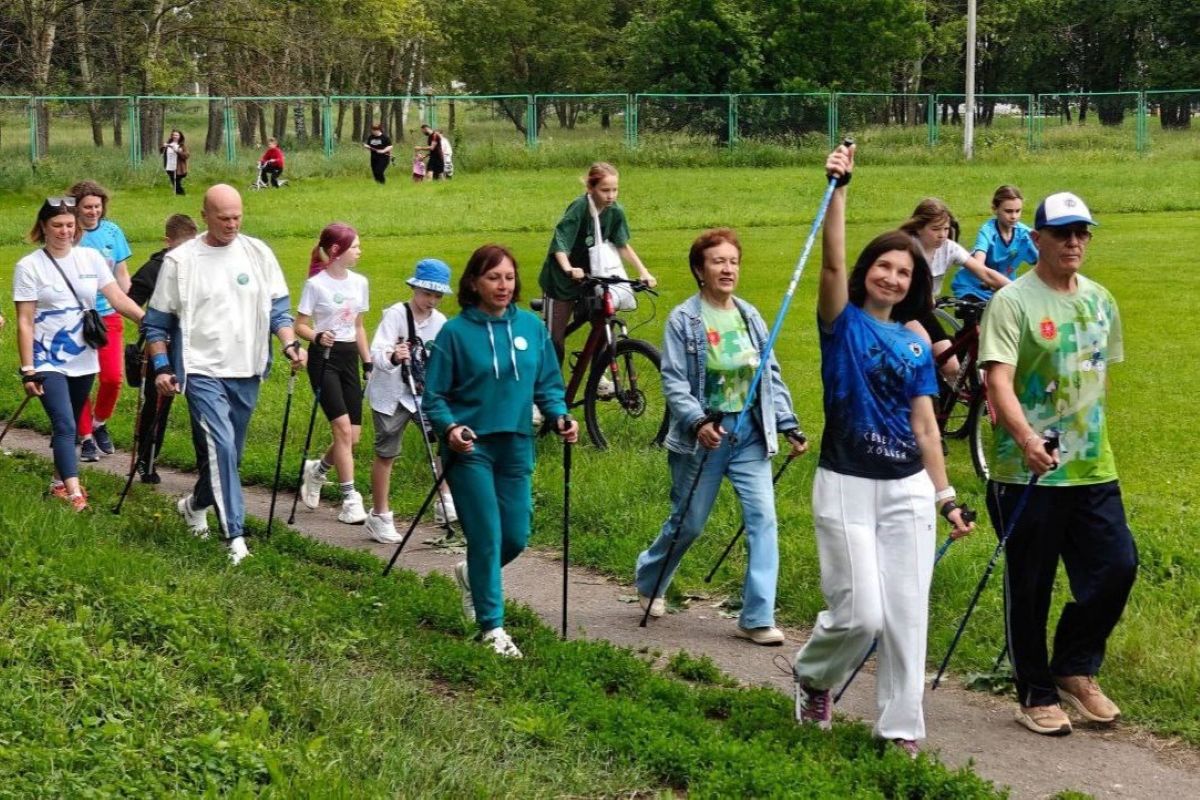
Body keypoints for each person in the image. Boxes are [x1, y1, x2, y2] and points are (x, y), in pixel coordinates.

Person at [791, 145, 973, 757]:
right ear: (870, 269)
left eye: (905, 272)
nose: (892, 277)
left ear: (915, 283)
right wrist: (839, 188)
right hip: (845, 479)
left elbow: (927, 428)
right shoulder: (841, 322)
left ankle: (900, 727)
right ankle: (815, 677)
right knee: (860, 615)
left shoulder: (917, 344)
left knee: (905, 615)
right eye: (884, 266)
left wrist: (946, 497)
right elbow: (832, 268)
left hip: (908, 489)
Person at [978, 192, 1135, 737]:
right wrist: (1024, 438)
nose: (1074, 242)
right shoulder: (1014, 302)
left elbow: (1098, 376)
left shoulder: (1101, 300)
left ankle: (1073, 665)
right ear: (1036, 239)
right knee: (1030, 585)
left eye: (1082, 232)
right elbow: (996, 377)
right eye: (1063, 232)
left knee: (1118, 566)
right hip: (1026, 473)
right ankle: (1034, 692)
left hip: (1092, 468)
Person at [634, 228, 808, 645]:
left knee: (763, 520)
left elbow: (769, 373)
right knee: (689, 522)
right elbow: (674, 380)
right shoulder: (684, 319)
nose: (728, 269)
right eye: (718, 261)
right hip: (704, 436)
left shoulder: (749, 316)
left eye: (733, 261)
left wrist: (788, 422)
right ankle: (650, 578)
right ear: (700, 269)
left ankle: (756, 616)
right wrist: (698, 422)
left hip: (748, 434)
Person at [422, 244, 579, 658]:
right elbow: (434, 396)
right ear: (474, 282)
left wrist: (560, 415)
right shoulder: (455, 333)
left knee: (516, 535)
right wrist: (450, 428)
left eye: (509, 277)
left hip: (516, 444)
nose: (503, 285)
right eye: (494, 277)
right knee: (488, 535)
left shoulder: (530, 328)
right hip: (470, 446)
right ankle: (492, 628)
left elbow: (548, 383)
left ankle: (472, 575)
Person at [144, 184, 307, 564]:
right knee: (221, 447)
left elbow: (279, 312)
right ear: (205, 216)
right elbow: (156, 324)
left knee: (229, 458)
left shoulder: (258, 253)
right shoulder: (181, 262)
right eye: (223, 218)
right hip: (200, 369)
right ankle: (235, 537)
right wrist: (162, 368)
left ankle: (194, 504)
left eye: (237, 217)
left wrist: (288, 344)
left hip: (247, 367)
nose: (232, 224)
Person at [12, 197, 144, 511]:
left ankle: (58, 482)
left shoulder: (91, 259)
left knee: (69, 420)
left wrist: (147, 321)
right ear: (43, 227)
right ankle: (75, 493)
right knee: (65, 424)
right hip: (46, 358)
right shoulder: (29, 266)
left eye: (69, 225)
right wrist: (28, 368)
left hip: (84, 356)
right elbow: (24, 321)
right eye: (57, 225)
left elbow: (116, 298)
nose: (64, 231)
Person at [364, 258, 456, 544]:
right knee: (387, 452)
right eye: (427, 293)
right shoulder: (396, 315)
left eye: (437, 295)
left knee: (445, 441)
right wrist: (393, 356)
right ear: (414, 288)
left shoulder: (440, 322)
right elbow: (377, 352)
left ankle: (446, 504)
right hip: (391, 395)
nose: (431, 300)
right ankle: (379, 516)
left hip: (422, 394)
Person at [538, 162, 656, 362]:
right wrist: (568, 268)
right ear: (590, 188)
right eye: (605, 190)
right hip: (563, 279)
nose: (611, 195)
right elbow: (560, 241)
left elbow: (622, 244)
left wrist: (643, 272)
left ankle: (598, 377)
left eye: (614, 190)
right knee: (554, 340)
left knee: (603, 326)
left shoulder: (615, 211)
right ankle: (551, 387)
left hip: (593, 276)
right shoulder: (580, 207)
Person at [295, 223, 372, 525]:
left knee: (352, 438)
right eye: (355, 247)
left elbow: (359, 326)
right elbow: (300, 324)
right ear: (338, 252)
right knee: (341, 429)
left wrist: (367, 361)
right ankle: (350, 498)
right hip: (323, 359)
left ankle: (317, 471)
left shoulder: (360, 282)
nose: (359, 251)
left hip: (349, 357)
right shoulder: (316, 285)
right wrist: (316, 336)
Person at [899, 198, 1007, 379]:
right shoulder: (906, 248)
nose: (942, 235)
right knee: (922, 347)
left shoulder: (949, 248)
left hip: (923, 311)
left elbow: (986, 274)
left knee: (951, 367)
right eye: (935, 229)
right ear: (918, 228)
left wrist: (1018, 291)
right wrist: (925, 297)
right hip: (899, 310)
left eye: (946, 229)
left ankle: (940, 401)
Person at [127, 213, 198, 483]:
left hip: (192, 344)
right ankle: (147, 459)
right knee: (156, 405)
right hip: (159, 347)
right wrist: (150, 322)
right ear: (168, 243)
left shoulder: (200, 266)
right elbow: (130, 299)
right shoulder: (155, 267)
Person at [68, 180, 133, 463]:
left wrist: (127, 298)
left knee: (111, 378)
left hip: (108, 313)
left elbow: (122, 273)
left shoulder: (112, 231)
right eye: (87, 207)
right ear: (76, 208)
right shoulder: (70, 234)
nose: (93, 211)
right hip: (76, 315)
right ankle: (84, 437)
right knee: (81, 377)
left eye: (97, 206)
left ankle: (99, 423)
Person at [951, 185, 1038, 302]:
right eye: (1008, 211)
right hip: (972, 287)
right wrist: (986, 281)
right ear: (995, 209)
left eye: (1018, 211)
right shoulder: (987, 231)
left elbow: (1044, 261)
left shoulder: (1025, 235)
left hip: (1003, 287)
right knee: (977, 316)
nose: (1014, 216)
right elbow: (979, 264)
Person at [160, 129, 189, 195]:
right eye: (173, 135)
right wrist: (163, 147)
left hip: (179, 168)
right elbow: (161, 152)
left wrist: (177, 150)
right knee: (173, 180)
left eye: (176, 135)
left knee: (176, 181)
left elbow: (186, 156)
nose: (175, 136)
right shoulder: (168, 144)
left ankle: (182, 194)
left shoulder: (182, 146)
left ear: (180, 136)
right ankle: (178, 194)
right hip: (169, 166)